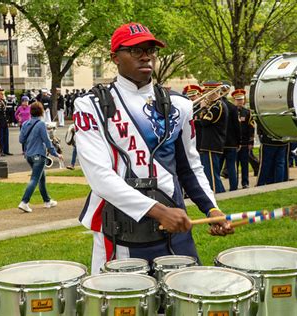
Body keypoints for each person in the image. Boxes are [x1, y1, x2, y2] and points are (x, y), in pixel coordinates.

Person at [74, 22, 233, 274]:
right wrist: (160, 213)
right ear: (115, 57)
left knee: (184, 302)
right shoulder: (91, 105)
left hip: (175, 230)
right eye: (135, 50)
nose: (146, 55)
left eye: (150, 49)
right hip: (121, 232)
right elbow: (100, 177)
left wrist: (212, 209)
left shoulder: (180, 104)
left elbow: (190, 166)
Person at [18, 102, 63, 213]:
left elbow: (21, 140)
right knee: (34, 179)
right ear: (41, 112)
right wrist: (56, 154)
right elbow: (47, 141)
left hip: (28, 155)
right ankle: (24, 202)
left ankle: (47, 200)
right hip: (39, 154)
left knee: (41, 178)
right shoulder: (41, 124)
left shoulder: (25, 124)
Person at [195, 81, 229, 193]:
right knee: (208, 172)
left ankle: (217, 193)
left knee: (212, 174)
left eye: (207, 92)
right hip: (208, 143)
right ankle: (218, 192)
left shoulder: (217, 106)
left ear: (212, 92)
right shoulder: (213, 106)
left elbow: (205, 122)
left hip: (212, 143)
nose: (205, 94)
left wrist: (203, 108)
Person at [220, 88, 241, 191]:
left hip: (220, 142)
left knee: (217, 167)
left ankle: (219, 188)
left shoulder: (217, 106)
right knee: (232, 166)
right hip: (232, 142)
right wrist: (239, 141)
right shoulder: (232, 107)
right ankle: (234, 187)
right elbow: (237, 126)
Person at [233, 89, 254, 189]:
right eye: (237, 99)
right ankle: (234, 183)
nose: (239, 101)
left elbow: (251, 128)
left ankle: (245, 183)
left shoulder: (247, 112)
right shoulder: (231, 111)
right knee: (234, 165)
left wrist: (251, 141)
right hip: (235, 143)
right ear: (234, 100)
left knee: (244, 164)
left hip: (245, 143)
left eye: (241, 99)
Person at [0, 87, 12, 156]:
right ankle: (1, 150)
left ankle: (6, 150)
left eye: (3, 94)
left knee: (6, 136)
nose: (2, 95)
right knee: (1, 136)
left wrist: (8, 120)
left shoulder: (3, 101)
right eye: (1, 94)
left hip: (4, 121)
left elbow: (6, 112)